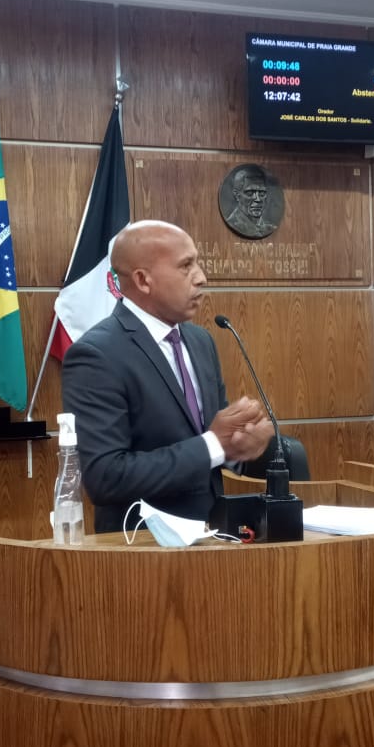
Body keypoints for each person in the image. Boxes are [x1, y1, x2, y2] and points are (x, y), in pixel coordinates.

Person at [62, 220, 273, 532]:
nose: (201, 277)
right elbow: (106, 476)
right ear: (143, 280)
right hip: (143, 546)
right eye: (186, 266)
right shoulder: (96, 355)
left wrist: (242, 445)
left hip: (214, 537)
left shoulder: (201, 341)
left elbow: (216, 439)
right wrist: (214, 445)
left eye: (197, 263)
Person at [223, 164, 277, 238]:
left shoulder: (270, 228)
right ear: (237, 195)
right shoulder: (232, 223)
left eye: (262, 193)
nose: (258, 199)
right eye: (250, 193)